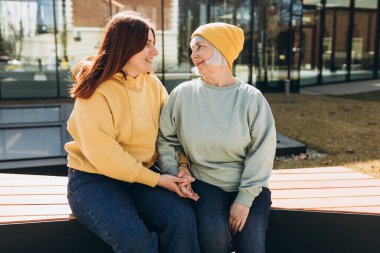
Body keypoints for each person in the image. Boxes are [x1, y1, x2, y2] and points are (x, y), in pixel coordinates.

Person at [65, 11, 200, 253]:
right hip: (95, 180)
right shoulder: (95, 90)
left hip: (143, 176)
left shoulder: (153, 85)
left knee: (183, 221)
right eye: (147, 45)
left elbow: (171, 132)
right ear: (125, 45)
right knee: (136, 242)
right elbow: (106, 155)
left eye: (153, 44)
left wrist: (182, 166)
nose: (155, 52)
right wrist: (158, 180)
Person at [157, 22, 277, 253]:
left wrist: (244, 200)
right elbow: (166, 139)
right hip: (206, 184)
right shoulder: (183, 94)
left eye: (200, 47)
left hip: (249, 184)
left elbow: (262, 152)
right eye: (192, 49)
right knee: (215, 243)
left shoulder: (252, 99)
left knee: (251, 247)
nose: (193, 55)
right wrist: (176, 171)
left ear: (222, 49)